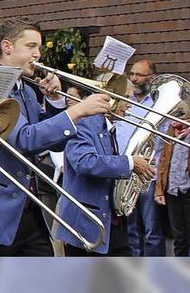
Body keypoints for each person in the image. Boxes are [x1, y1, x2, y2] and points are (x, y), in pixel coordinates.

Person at [0, 16, 112, 256]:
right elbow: (25, 140)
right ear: (7, 47)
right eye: (31, 46)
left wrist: (56, 101)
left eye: (38, 47)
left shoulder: (25, 90)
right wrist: (78, 109)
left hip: (26, 210)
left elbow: (51, 143)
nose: (38, 54)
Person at [57, 79, 156, 256]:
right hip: (87, 225)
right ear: (108, 97)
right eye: (125, 97)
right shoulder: (83, 123)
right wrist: (131, 163)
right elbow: (84, 162)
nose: (129, 104)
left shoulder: (108, 127)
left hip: (112, 224)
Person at [115, 59, 166, 256]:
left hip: (147, 174)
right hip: (123, 170)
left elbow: (164, 141)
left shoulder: (157, 103)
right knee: (130, 229)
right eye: (132, 74)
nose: (134, 79)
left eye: (139, 75)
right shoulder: (123, 100)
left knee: (152, 230)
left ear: (151, 78)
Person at [154, 106, 190, 256]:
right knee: (179, 238)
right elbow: (164, 159)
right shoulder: (171, 129)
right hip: (173, 190)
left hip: (188, 189)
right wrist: (159, 189)